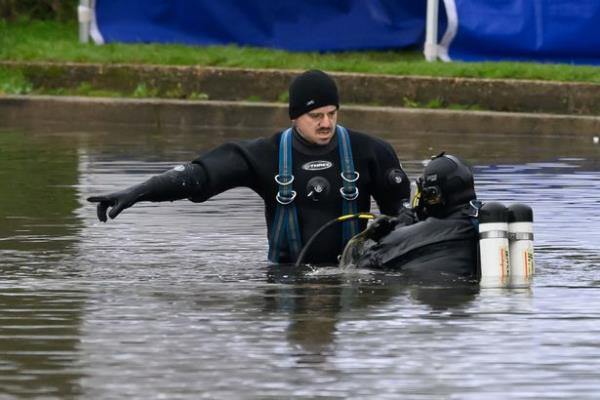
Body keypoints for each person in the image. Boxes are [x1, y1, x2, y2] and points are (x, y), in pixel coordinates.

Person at [88, 69, 410, 264]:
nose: (325, 123)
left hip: (350, 280)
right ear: (295, 116)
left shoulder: (370, 152)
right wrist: (137, 192)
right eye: (316, 116)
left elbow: (406, 220)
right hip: (286, 281)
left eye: (332, 113)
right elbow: (198, 177)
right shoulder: (265, 155)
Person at [339, 153, 480, 281]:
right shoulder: (485, 222)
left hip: (434, 292)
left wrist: (380, 235)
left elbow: (359, 265)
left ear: (432, 195)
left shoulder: (411, 235)